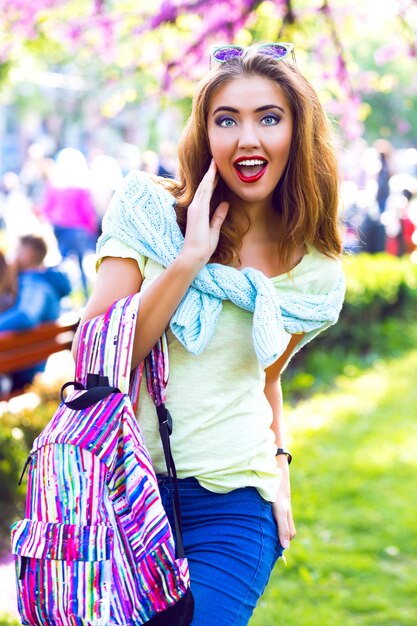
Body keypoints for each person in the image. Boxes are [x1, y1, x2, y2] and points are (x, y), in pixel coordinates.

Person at [75, 43, 345, 626]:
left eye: (268, 118)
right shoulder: (148, 212)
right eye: (227, 120)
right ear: (206, 133)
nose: (247, 138)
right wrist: (188, 261)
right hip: (120, 492)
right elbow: (94, 356)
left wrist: (280, 472)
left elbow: (265, 380)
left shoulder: (313, 271)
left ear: (298, 133)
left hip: (234, 505)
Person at [0, 234, 71, 391]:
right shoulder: (42, 281)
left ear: (27, 256)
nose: (12, 257)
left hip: (22, 366)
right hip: (27, 359)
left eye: (15, 251)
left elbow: (26, 316)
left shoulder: (34, 283)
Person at [40, 148, 98, 300]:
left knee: (62, 264)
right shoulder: (81, 185)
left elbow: (46, 208)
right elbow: (87, 210)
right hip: (78, 229)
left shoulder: (55, 184)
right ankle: (86, 297)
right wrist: (91, 228)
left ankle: (65, 295)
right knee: (81, 265)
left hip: (60, 228)